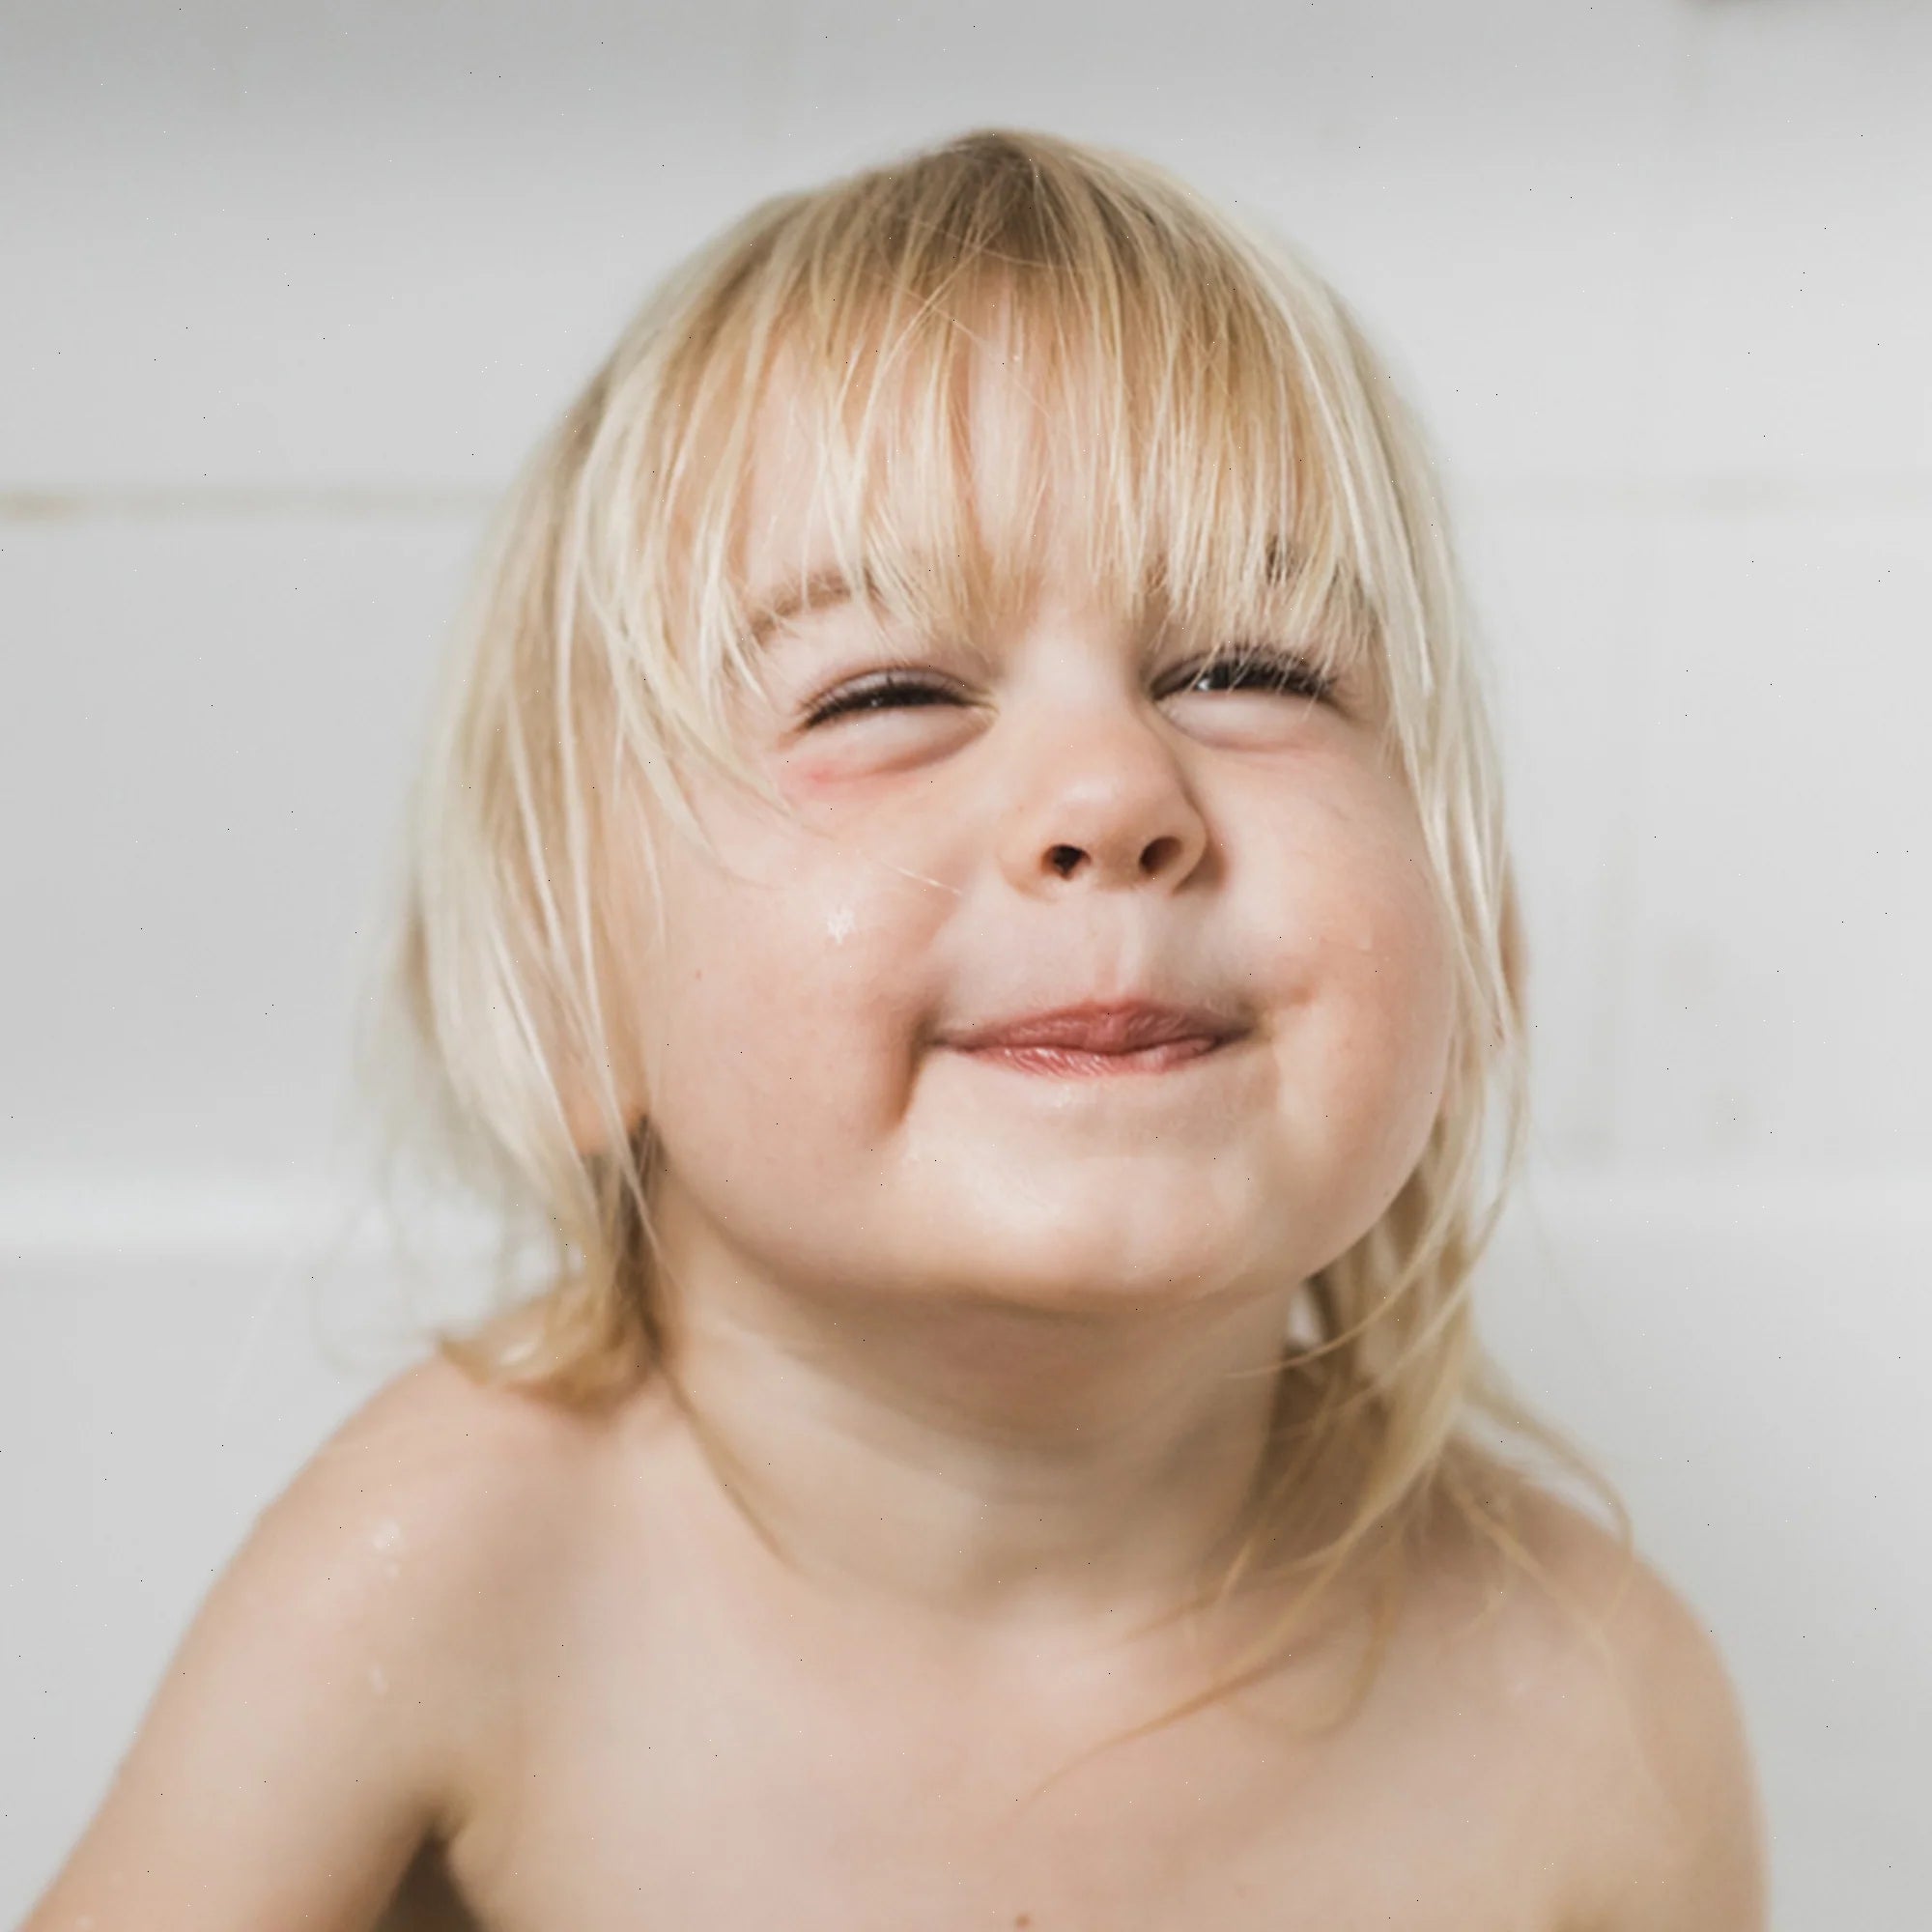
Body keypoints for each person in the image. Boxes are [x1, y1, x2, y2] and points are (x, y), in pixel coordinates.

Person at [22, 128, 1767, 1931]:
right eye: (888, 691)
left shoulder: (1584, 1710)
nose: (1112, 792)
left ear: (1477, 956)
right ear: (569, 990)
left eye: (1251, 673)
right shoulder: (466, 1573)